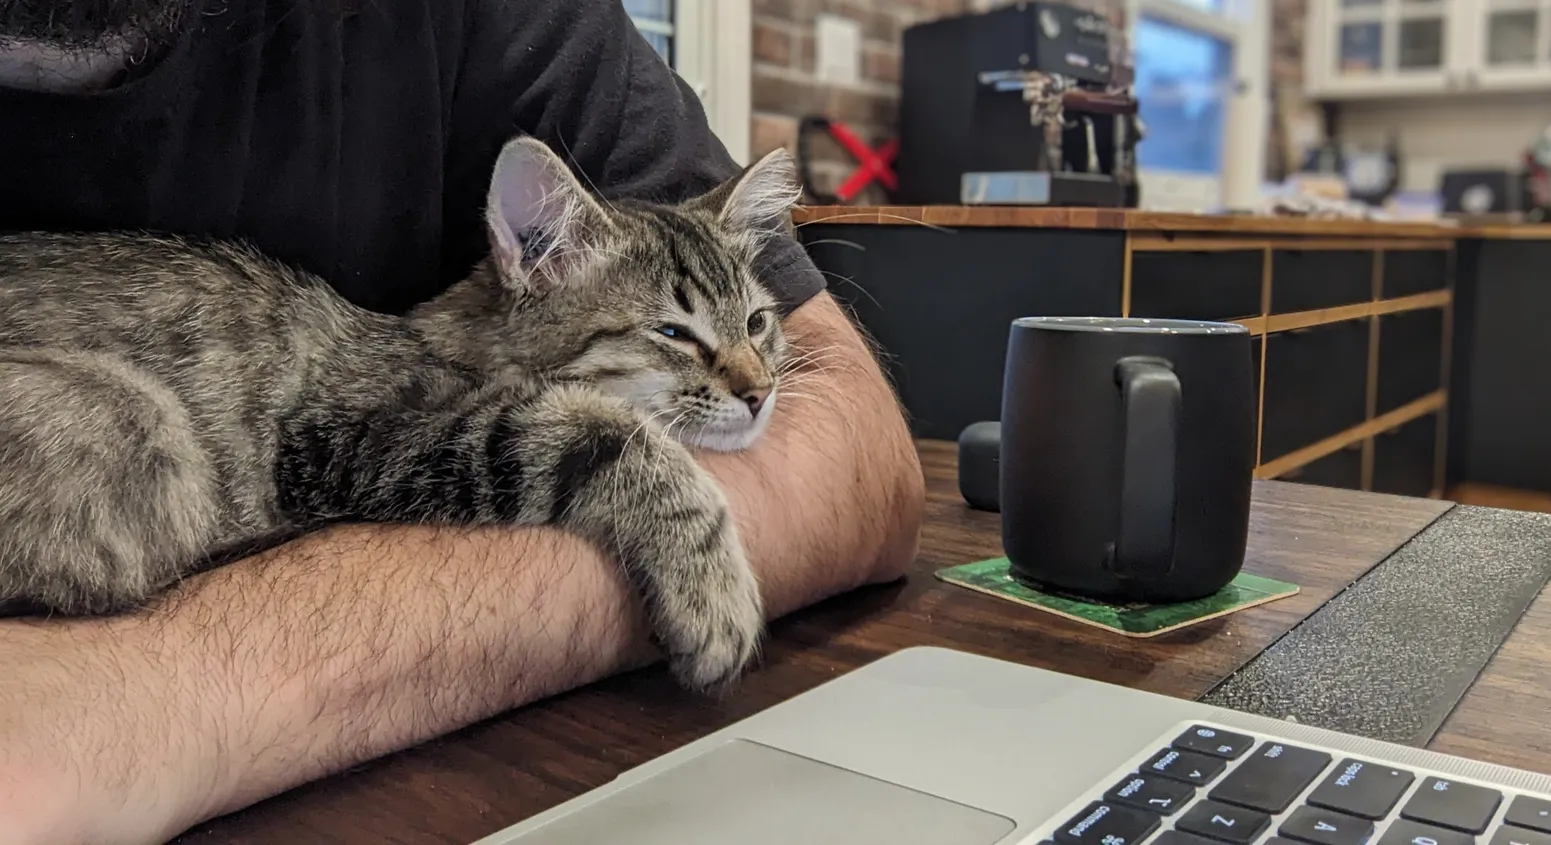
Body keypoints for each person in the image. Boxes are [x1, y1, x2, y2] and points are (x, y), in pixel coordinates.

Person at [0, 0, 925, 841]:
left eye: (753, 329)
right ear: (534, 269)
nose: (751, 379)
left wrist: (163, 691)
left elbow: (857, 446)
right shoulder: (411, 369)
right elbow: (380, 454)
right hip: (84, 437)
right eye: (680, 337)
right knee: (120, 450)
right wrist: (637, 474)